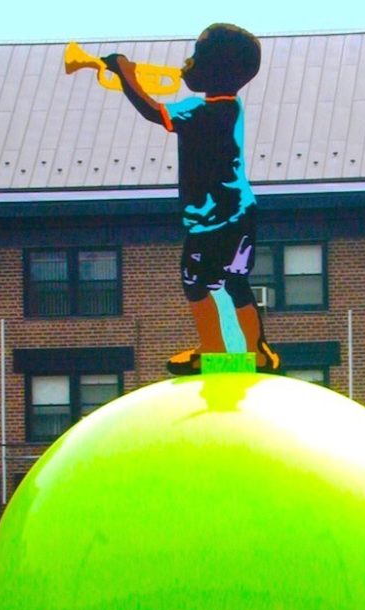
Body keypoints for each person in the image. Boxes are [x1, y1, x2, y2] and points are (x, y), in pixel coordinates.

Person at [103, 23, 281, 375]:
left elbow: (152, 111)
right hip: (239, 212)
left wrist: (125, 74)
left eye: (196, 56)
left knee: (194, 280)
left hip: (212, 219)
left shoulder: (200, 111)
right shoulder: (230, 107)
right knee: (235, 281)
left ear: (214, 69)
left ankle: (213, 347)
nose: (187, 63)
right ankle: (256, 350)